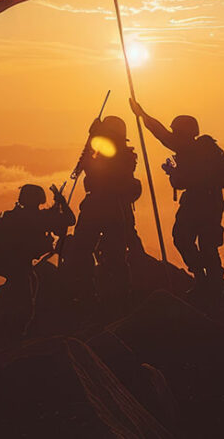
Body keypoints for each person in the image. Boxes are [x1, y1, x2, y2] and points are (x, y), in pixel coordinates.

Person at [129, 98, 224, 295]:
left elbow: (161, 134)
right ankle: (210, 281)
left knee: (184, 238)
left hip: (197, 203)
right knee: (207, 244)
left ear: (184, 133)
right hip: (212, 203)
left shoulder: (189, 149)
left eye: (177, 131)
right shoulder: (202, 152)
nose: (174, 135)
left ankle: (205, 279)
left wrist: (142, 115)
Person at [61, 115, 142, 307]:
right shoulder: (124, 154)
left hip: (98, 203)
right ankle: (119, 294)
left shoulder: (108, 150)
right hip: (114, 207)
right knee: (114, 253)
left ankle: (89, 294)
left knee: (83, 248)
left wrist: (93, 135)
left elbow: (96, 166)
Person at [0, 184, 75, 312]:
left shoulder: (11, 216)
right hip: (19, 264)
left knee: (20, 288)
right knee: (24, 297)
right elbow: (69, 220)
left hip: (11, 264)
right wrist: (61, 202)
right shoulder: (38, 218)